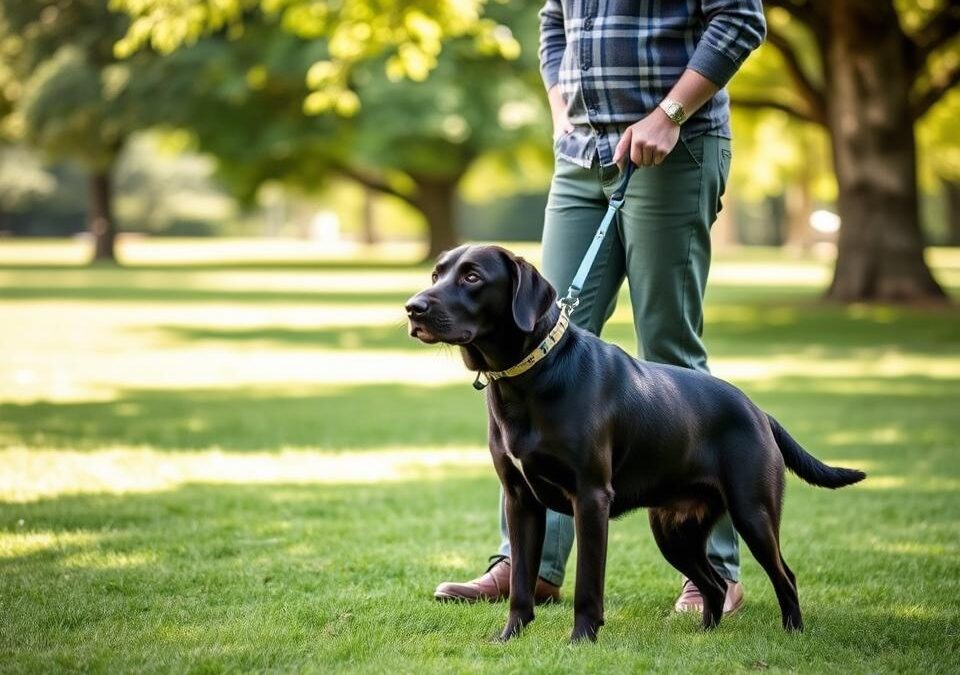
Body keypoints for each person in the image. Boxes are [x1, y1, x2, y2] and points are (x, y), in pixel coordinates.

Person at [434, 0, 766, 615]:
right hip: (580, 155)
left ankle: (713, 572)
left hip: (675, 145)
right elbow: (554, 22)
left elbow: (741, 19)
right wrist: (565, 112)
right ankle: (528, 567)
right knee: (536, 339)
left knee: (670, 351)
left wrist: (670, 113)